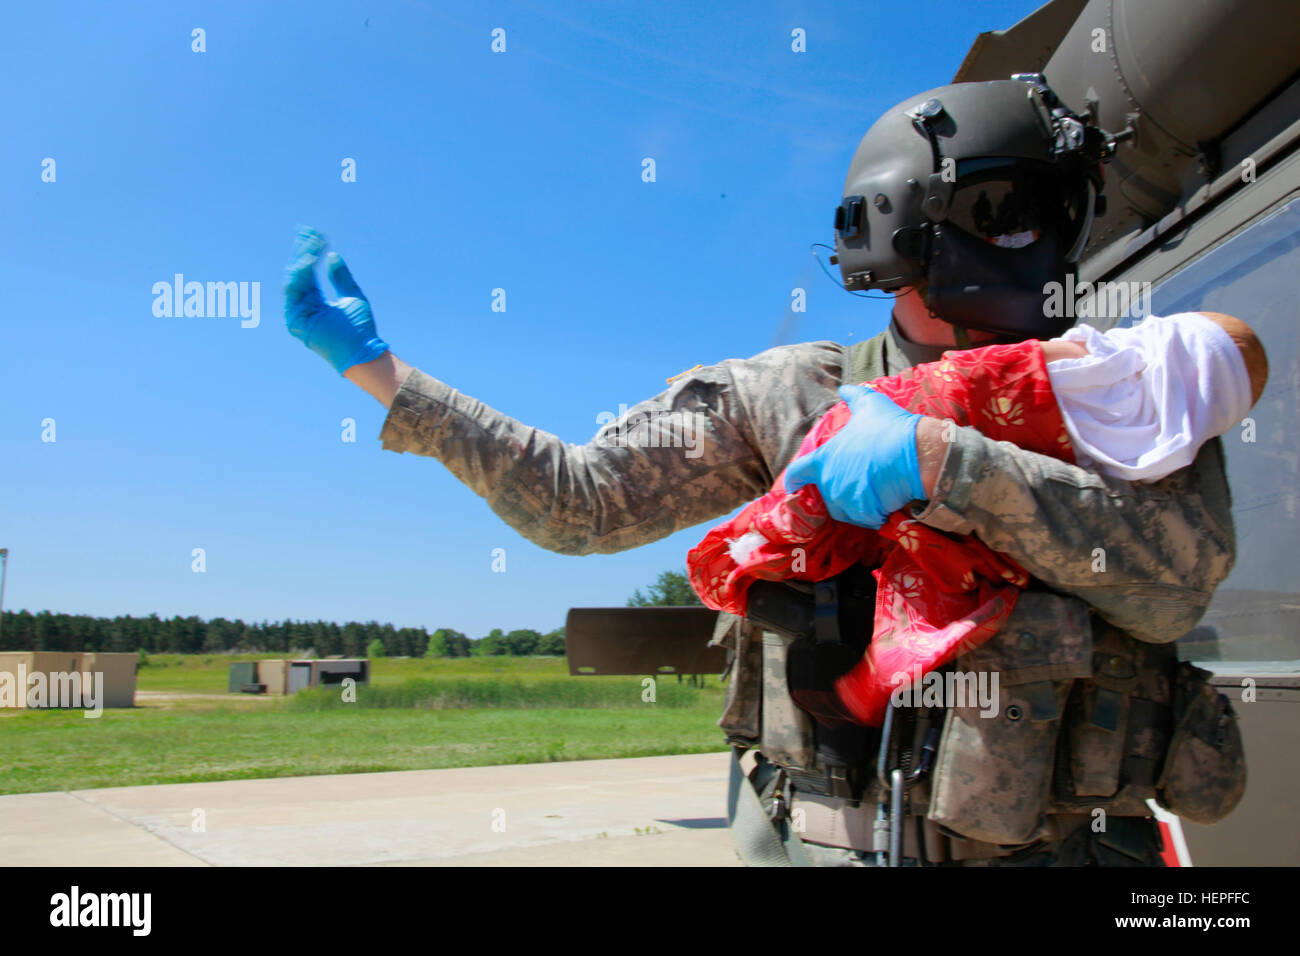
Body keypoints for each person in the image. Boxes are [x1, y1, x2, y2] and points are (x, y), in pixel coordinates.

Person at [283, 75, 1247, 866]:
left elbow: (1170, 588)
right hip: (817, 841)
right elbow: (579, 505)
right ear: (904, 224)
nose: (1043, 247)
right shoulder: (794, 397)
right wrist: (377, 370)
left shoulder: (1124, 395)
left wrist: (947, 463)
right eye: (1004, 212)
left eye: (1051, 217)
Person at [687, 311, 1268, 728]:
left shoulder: (1173, 446)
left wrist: (946, 462)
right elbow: (599, 495)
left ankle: (753, 569)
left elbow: (1171, 598)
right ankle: (745, 565)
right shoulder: (789, 384)